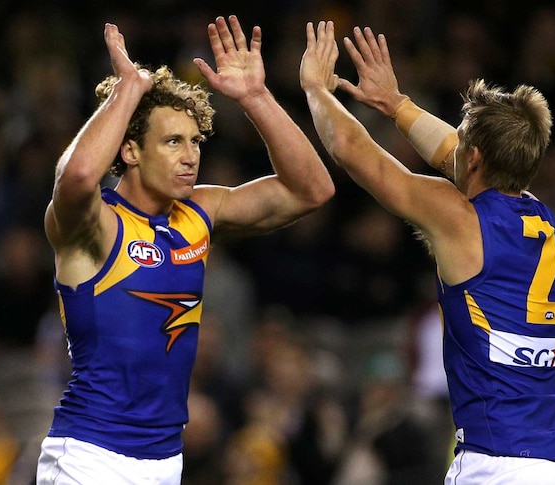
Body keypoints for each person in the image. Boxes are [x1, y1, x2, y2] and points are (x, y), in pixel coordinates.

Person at [36, 15, 334, 485]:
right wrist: (127, 90)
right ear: (130, 150)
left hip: (166, 458)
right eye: (173, 141)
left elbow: (312, 190)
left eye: (195, 141)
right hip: (91, 453)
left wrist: (256, 98)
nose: (191, 155)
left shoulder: (200, 212)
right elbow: (74, 178)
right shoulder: (95, 224)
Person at [299, 21, 555, 483]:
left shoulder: (459, 218)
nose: (451, 144)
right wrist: (397, 105)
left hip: (498, 463)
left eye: (462, 138)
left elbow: (350, 147)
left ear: (474, 156)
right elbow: (453, 153)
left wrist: (316, 88)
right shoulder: (543, 219)